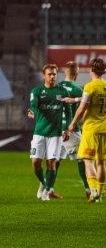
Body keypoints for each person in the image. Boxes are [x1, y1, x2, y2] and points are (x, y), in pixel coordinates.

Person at [66, 58, 106, 203]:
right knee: (102, 162)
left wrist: (73, 124)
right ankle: (100, 192)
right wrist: (75, 100)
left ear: (91, 69)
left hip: (91, 129)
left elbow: (83, 108)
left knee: (88, 161)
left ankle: (93, 191)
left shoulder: (90, 86)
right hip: (105, 128)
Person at [28, 64, 70, 201]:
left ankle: (46, 191)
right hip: (39, 132)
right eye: (49, 74)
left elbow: (68, 111)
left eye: (54, 74)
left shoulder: (62, 92)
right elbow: (33, 105)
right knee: (35, 162)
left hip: (55, 133)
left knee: (51, 163)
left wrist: (67, 128)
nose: (52, 76)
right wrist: (33, 111)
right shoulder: (37, 91)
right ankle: (43, 182)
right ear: (44, 76)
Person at [58, 61, 90, 198]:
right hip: (72, 129)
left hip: (57, 129)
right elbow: (83, 109)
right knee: (83, 158)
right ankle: (89, 190)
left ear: (65, 72)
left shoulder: (57, 88)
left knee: (55, 160)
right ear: (76, 73)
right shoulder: (79, 90)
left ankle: (46, 189)